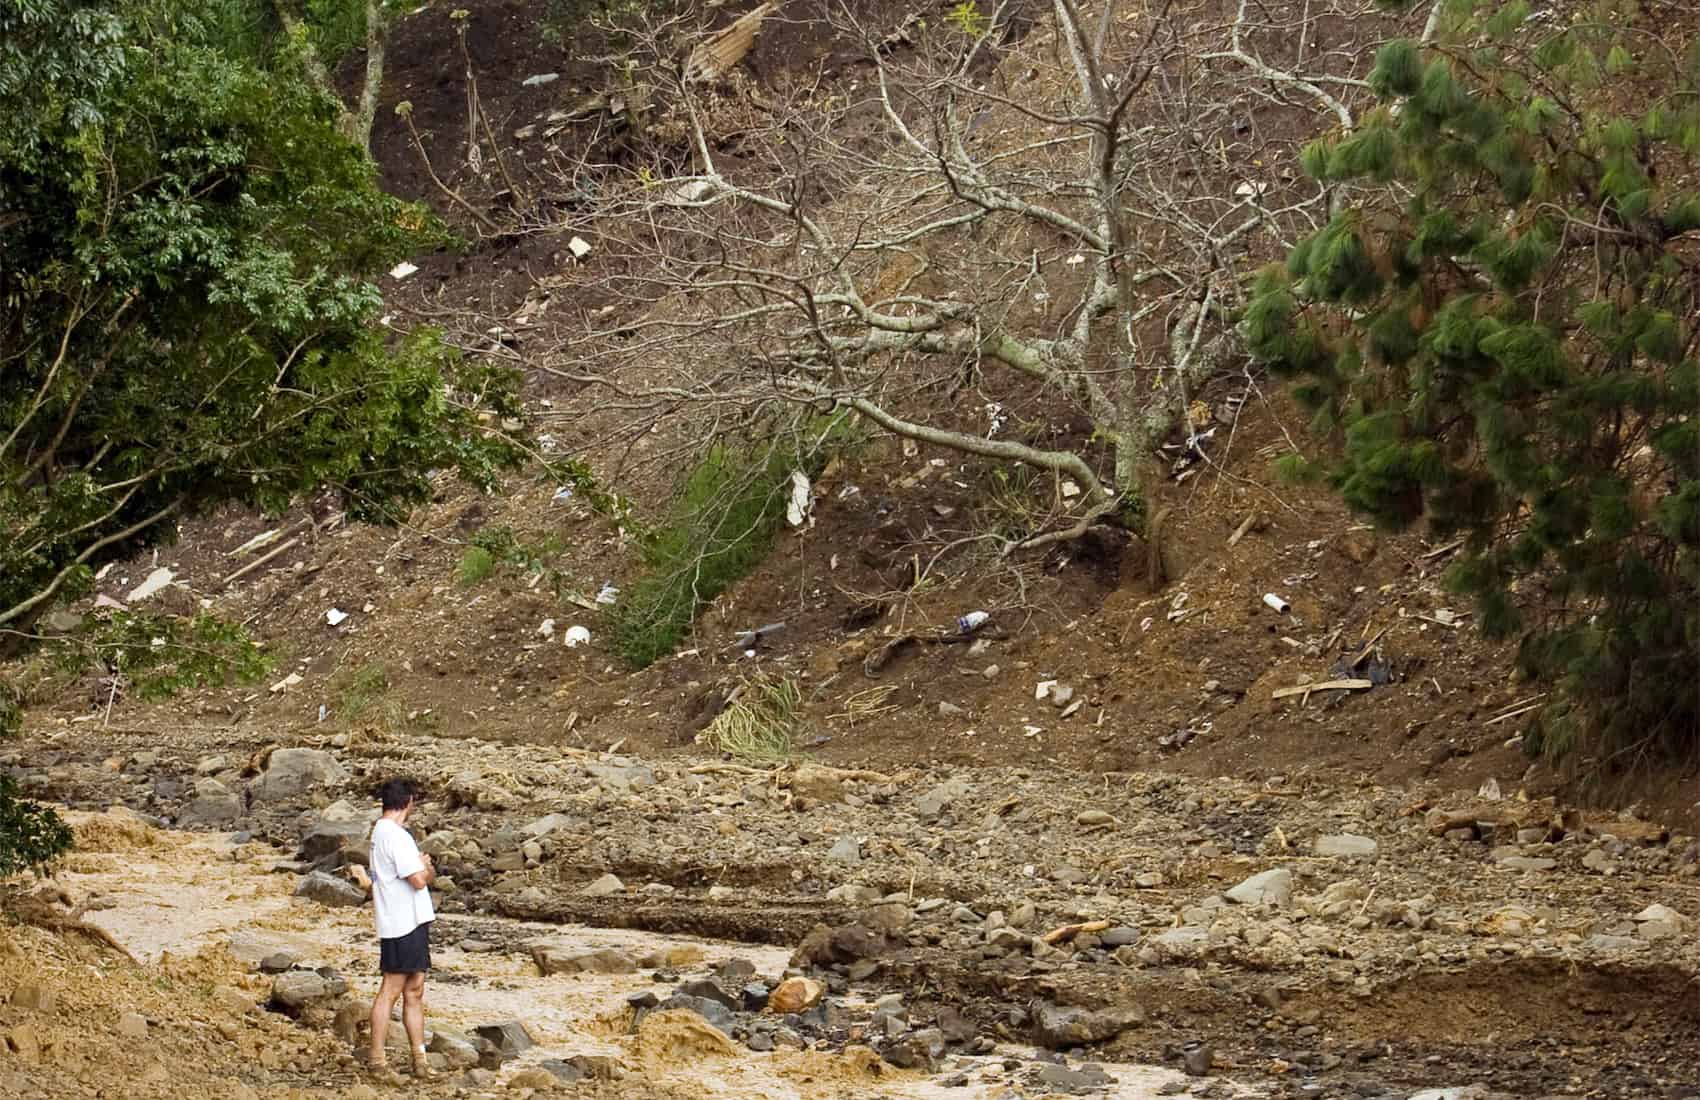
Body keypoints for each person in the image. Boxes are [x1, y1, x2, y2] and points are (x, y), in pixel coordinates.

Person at [358, 777, 437, 1078]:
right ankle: (377, 1060)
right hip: (403, 922)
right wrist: (426, 865)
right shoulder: (396, 835)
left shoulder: (381, 832)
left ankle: (420, 1060)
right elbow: (417, 879)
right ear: (409, 802)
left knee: (414, 989)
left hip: (405, 920)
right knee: (392, 989)